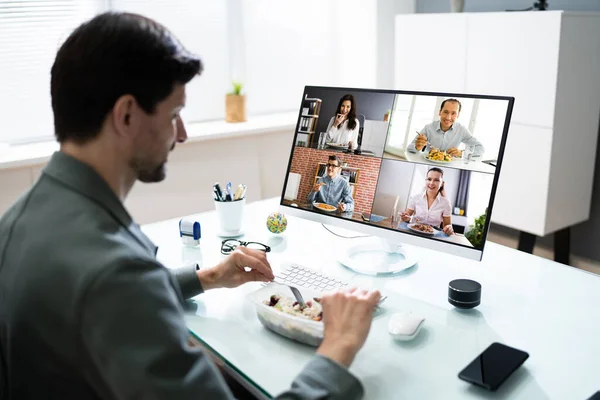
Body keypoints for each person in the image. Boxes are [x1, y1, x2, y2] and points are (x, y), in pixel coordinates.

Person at [0, 12, 381, 400]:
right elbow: (115, 288)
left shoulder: (21, 219)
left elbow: (105, 302)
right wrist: (339, 349)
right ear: (127, 115)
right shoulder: (112, 271)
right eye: (175, 114)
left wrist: (207, 277)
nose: (181, 134)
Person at [407, 98, 484, 158]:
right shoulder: (428, 128)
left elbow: (480, 148)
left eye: (453, 113)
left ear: (458, 115)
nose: (448, 117)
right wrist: (417, 147)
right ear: (440, 112)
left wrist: (462, 153)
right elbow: (410, 148)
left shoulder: (462, 130)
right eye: (445, 112)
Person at [400, 167, 454, 235]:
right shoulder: (415, 198)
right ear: (425, 181)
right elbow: (405, 219)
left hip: (433, 236)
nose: (431, 183)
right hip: (413, 232)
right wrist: (405, 218)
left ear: (442, 183)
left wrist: (449, 228)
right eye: (429, 179)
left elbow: (447, 226)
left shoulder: (446, 203)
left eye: (436, 180)